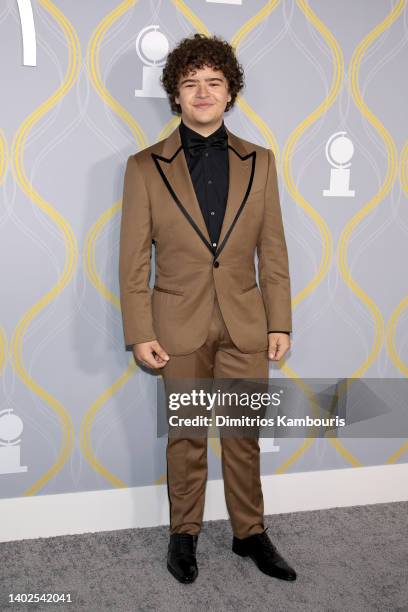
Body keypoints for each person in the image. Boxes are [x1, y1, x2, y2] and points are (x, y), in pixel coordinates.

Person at [119, 33, 296, 584]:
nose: (202, 92)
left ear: (229, 92)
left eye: (213, 83)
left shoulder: (261, 162)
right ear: (175, 92)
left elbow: (274, 249)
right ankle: (184, 535)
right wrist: (139, 328)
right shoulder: (144, 166)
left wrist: (280, 320)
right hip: (177, 326)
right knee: (188, 436)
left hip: (246, 321)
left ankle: (250, 533)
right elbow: (132, 260)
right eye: (190, 83)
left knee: (243, 436)